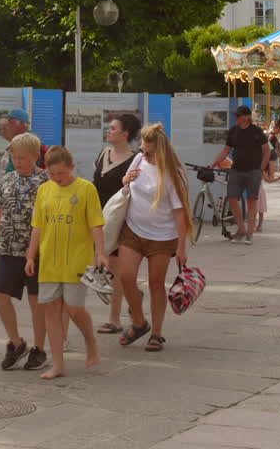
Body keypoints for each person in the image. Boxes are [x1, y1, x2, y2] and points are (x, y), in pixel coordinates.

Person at [24, 146, 106, 379]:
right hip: (49, 260)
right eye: (53, 174)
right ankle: (58, 364)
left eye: (61, 173)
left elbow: (96, 224)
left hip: (77, 259)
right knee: (50, 309)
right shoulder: (44, 191)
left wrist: (100, 253)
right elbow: (37, 226)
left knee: (73, 308)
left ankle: (90, 340)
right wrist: (31, 255)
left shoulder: (86, 189)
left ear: (71, 167)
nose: (57, 178)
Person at [115, 123, 191, 353]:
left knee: (156, 283)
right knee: (126, 277)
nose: (144, 155)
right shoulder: (138, 160)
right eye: (142, 150)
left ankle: (157, 332)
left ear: (161, 150)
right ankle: (139, 322)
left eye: (149, 152)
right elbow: (125, 185)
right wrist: (127, 178)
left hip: (162, 236)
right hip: (133, 229)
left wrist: (181, 247)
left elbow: (180, 213)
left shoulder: (172, 174)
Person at [0, 132, 49, 371]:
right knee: (0, 295)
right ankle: (16, 342)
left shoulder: (46, 181)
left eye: (23, 157)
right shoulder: (6, 180)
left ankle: (40, 348)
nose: (18, 161)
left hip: (37, 251)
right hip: (9, 248)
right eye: (14, 157)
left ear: (35, 157)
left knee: (37, 302)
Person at [92, 112, 142, 334]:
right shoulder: (103, 153)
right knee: (112, 268)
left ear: (125, 133)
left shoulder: (135, 160)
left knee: (115, 267)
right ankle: (134, 294)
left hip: (121, 219)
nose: (108, 131)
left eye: (113, 128)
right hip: (100, 218)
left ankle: (114, 319)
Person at [209, 105, 268, 245]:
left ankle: (250, 234)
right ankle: (242, 229)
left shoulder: (257, 131)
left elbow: (266, 151)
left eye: (239, 115)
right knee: (232, 197)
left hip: (253, 171)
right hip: (236, 170)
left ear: (247, 117)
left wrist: (261, 169)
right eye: (236, 115)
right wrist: (213, 164)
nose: (237, 118)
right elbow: (226, 150)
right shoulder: (233, 131)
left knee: (252, 201)